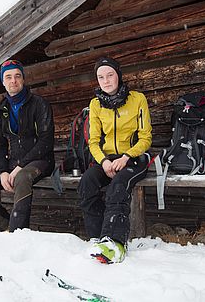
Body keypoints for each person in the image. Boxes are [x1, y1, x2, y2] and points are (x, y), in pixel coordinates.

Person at [78, 57, 152, 264]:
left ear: (118, 75)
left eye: (110, 75)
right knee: (87, 183)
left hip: (135, 158)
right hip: (107, 160)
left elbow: (146, 138)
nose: (106, 80)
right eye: (101, 77)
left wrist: (127, 156)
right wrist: (103, 162)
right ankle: (98, 236)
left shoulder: (137, 99)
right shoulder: (95, 104)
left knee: (118, 187)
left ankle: (116, 241)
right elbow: (93, 141)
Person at [0, 59, 55, 232]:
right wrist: (2, 171)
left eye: (17, 76)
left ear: (23, 79)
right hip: (13, 163)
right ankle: (8, 226)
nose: (13, 80)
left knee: (22, 177)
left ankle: (19, 233)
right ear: (3, 81)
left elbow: (46, 141)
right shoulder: (2, 110)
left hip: (41, 160)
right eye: (8, 77)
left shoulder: (39, 104)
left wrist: (21, 166)